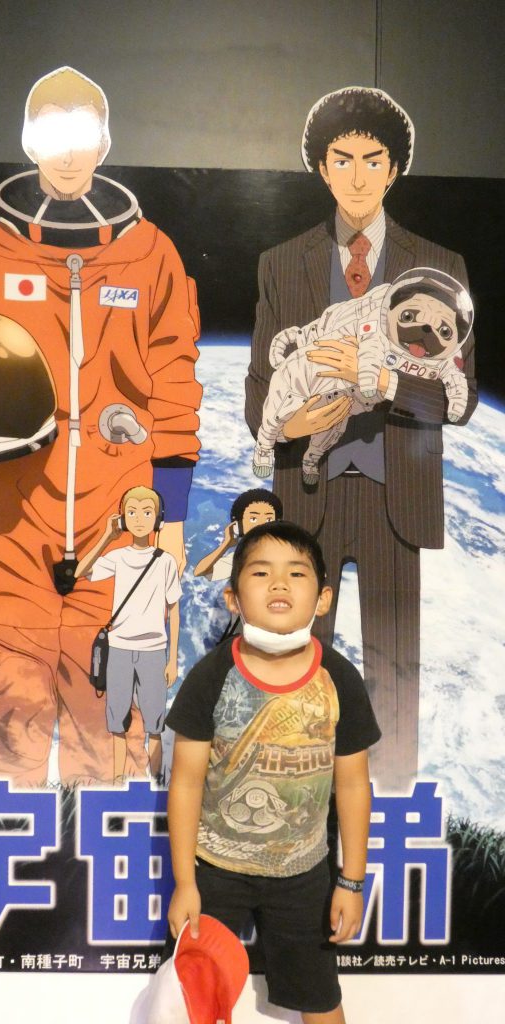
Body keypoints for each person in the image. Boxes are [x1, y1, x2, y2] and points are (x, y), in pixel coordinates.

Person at [0, 66, 202, 787]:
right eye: (53, 132)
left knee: (113, 730)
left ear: (106, 141)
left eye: (84, 133)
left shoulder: (151, 256)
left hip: (120, 531)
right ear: (27, 139)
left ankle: (101, 856)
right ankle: (2, 855)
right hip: (6, 526)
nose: (70, 152)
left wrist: (171, 523)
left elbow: (174, 392)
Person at [245, 86, 477, 789]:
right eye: (341, 159)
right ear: (320, 167)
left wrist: (380, 383)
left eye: (372, 160)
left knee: (393, 676)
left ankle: (394, 808)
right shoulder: (281, 261)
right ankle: (284, 805)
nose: (357, 175)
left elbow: (457, 401)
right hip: (304, 496)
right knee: (289, 664)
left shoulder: (440, 265)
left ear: (394, 169)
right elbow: (258, 386)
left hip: (393, 498)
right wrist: (289, 425)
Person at [165, 520, 381, 1024]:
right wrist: (185, 883)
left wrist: (351, 883)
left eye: (296, 574)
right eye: (261, 573)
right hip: (215, 872)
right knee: (193, 999)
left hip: (303, 877)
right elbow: (186, 783)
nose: (279, 584)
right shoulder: (211, 677)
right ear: (233, 597)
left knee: (321, 999)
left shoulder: (339, 678)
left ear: (323, 599)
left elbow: (353, 786)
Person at [253, 268, 472, 484]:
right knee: (282, 407)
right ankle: (265, 446)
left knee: (332, 431)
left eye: (444, 332)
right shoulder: (373, 324)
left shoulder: (447, 359)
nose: (425, 330)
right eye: (409, 317)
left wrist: (385, 381)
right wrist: (289, 430)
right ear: (389, 311)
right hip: (315, 372)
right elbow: (367, 349)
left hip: (360, 410)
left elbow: (462, 393)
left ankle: (311, 459)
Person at [76, 486, 180, 783]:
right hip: (119, 648)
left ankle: (156, 780)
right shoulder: (118, 556)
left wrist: (172, 659)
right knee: (117, 721)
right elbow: (80, 572)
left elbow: (173, 610)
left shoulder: (165, 561)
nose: (139, 519)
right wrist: (107, 537)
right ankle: (118, 780)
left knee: (154, 723)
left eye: (147, 512)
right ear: (122, 519)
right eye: (131, 512)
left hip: (153, 650)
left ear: (158, 518)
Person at [193, 487, 283, 581]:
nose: (261, 525)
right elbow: (200, 571)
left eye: (269, 519)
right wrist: (226, 544)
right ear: (238, 525)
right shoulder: (240, 559)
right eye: (253, 519)